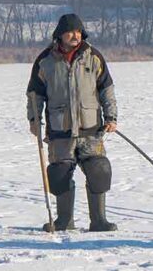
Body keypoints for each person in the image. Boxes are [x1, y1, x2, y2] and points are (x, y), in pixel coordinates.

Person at [27, 13, 119, 232]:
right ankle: (64, 221)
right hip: (60, 131)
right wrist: (34, 120)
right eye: (70, 32)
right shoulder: (45, 61)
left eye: (78, 31)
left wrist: (111, 117)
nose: (75, 36)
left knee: (99, 171)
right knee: (59, 174)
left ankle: (99, 221)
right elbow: (34, 94)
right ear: (60, 34)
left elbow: (106, 89)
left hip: (91, 129)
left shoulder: (93, 57)